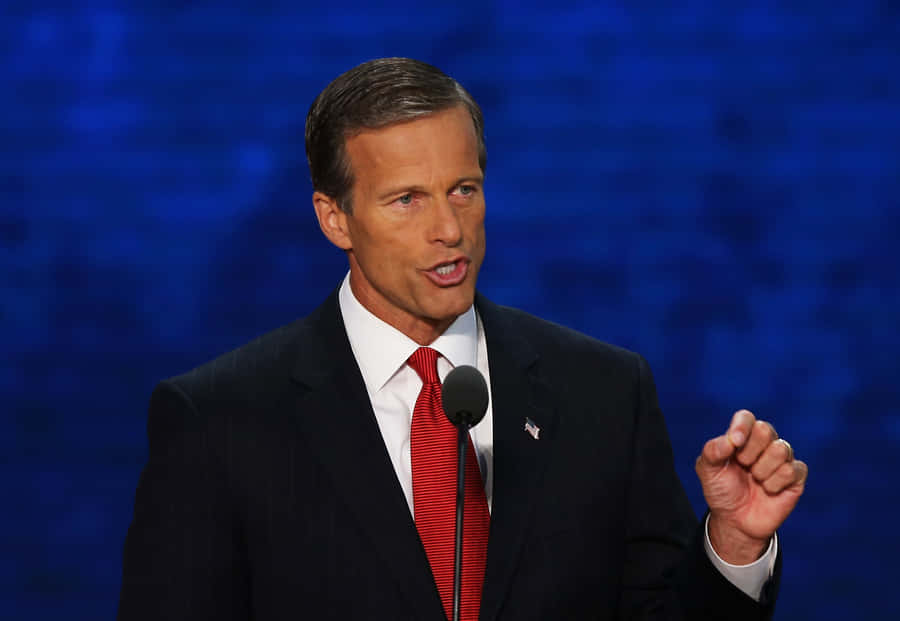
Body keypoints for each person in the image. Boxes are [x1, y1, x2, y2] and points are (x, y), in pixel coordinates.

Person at [118, 58, 808, 620]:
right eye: (407, 199)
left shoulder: (603, 392)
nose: (449, 229)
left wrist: (734, 544)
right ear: (335, 219)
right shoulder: (220, 421)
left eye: (464, 189)